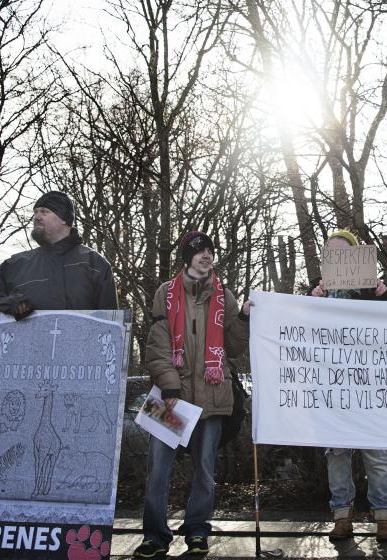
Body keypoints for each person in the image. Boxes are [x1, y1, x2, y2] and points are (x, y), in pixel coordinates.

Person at [136, 231, 251, 558]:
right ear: (187, 257)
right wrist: (169, 383)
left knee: (204, 470)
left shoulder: (224, 295)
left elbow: (234, 347)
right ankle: (155, 536)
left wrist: (242, 317)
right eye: (199, 251)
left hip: (213, 396)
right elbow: (156, 347)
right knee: (158, 469)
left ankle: (198, 531)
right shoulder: (165, 293)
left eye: (210, 251)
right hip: (169, 396)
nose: (206, 256)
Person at [310, 229, 387, 543]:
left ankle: (384, 516)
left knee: (375, 453)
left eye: (343, 253)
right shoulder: (318, 294)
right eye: (331, 254)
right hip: (334, 387)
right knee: (337, 454)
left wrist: (382, 297)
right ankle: (342, 515)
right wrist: (312, 303)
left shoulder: (373, 292)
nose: (337, 259)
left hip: (369, 386)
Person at [0, 190, 117, 315]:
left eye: (44, 212)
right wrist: (11, 303)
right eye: (35, 212)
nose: (37, 217)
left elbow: (109, 323)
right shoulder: (15, 265)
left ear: (64, 219)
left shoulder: (94, 264)